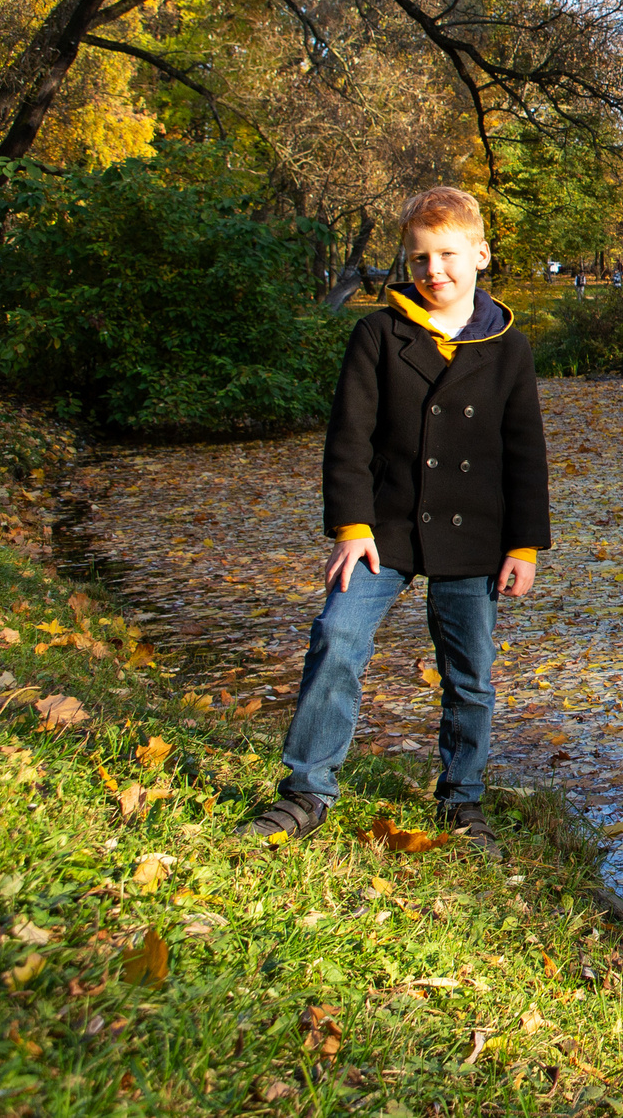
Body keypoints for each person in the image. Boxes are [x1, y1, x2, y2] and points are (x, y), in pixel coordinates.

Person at [247, 186, 550, 854]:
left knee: (471, 672)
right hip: (383, 529)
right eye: (418, 258)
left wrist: (524, 543)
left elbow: (526, 452)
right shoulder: (378, 335)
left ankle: (462, 797)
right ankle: (306, 789)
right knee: (336, 635)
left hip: (475, 533)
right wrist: (351, 529)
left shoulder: (507, 344)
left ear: (480, 253)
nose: (433, 270)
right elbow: (348, 440)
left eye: (447, 254)